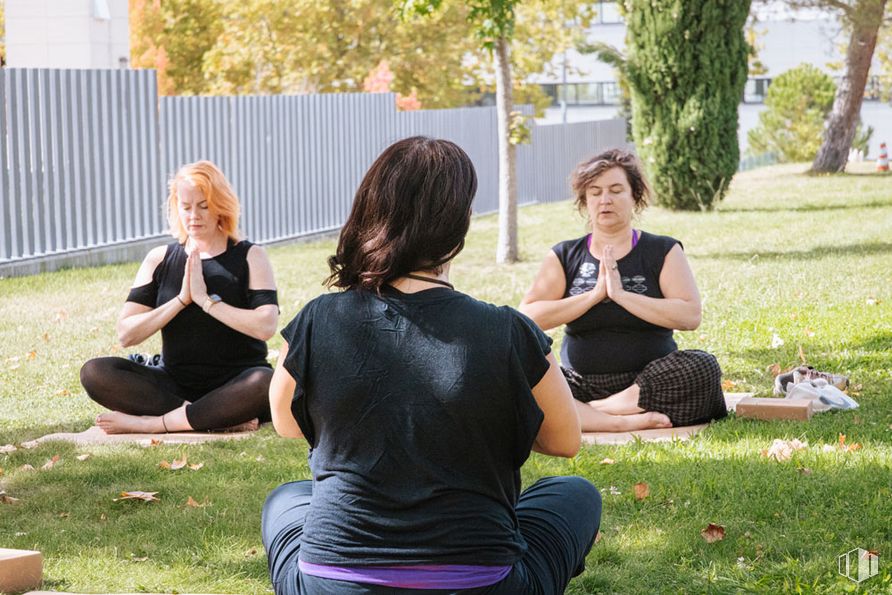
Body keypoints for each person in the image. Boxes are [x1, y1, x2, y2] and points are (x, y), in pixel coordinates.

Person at [264, 137, 601, 594]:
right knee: (574, 493)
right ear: (457, 227)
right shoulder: (508, 330)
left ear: (371, 210)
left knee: (288, 497)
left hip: (336, 583)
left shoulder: (318, 318)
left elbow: (287, 423)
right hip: (481, 582)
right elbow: (564, 441)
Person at [519, 149, 727, 432]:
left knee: (703, 367)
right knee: (520, 374)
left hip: (650, 381)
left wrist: (622, 295)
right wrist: (594, 296)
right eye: (595, 192)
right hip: (579, 383)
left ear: (634, 197)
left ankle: (590, 414)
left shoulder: (662, 250)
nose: (605, 200)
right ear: (585, 201)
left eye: (616, 190)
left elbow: (690, 315)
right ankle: (621, 421)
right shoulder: (565, 254)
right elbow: (528, 317)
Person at [80, 160, 279, 434]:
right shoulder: (159, 259)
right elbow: (126, 334)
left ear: (221, 205)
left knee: (265, 381)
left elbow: (266, 326)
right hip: (174, 382)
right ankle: (211, 416)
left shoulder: (251, 255)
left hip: (236, 382)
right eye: (186, 207)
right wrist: (182, 300)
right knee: (95, 372)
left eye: (203, 206)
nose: (193, 215)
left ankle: (155, 423)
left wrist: (206, 301)